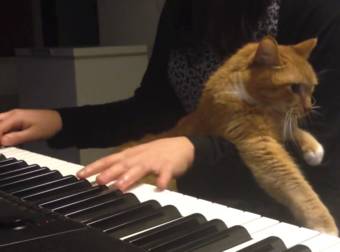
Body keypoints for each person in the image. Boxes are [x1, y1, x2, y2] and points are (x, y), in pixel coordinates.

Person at [1, 0, 340, 228]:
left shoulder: (317, 11)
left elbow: (323, 139)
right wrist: (59, 120)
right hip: (206, 200)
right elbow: (152, 108)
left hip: (297, 208)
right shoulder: (184, 9)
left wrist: (194, 148)